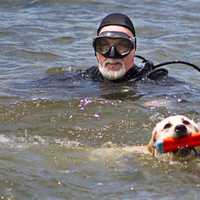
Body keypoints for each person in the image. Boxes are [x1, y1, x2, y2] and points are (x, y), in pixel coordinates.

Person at [82, 13, 167, 82]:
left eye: (122, 46)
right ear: (95, 51)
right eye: (104, 46)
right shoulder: (86, 77)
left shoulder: (152, 80)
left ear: (133, 50)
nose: (112, 55)